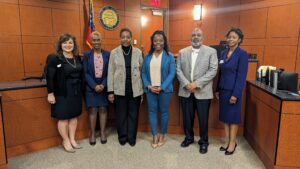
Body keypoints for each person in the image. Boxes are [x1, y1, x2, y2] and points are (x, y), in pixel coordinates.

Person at [176, 28, 218, 154]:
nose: (196, 37)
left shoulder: (211, 51)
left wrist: (196, 84)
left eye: (198, 35)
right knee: (187, 118)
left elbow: (213, 70)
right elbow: (178, 70)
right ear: (190, 37)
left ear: (203, 37)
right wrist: (187, 84)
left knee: (203, 119)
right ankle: (189, 138)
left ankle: (204, 142)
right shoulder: (182, 52)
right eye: (193, 35)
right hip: (186, 90)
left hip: (203, 92)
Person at [46, 33, 83, 153]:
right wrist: (50, 93)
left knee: (73, 117)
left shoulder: (77, 57)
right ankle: (65, 140)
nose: (68, 45)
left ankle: (72, 139)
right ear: (60, 44)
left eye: (70, 42)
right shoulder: (54, 58)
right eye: (65, 42)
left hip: (76, 91)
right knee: (63, 118)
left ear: (74, 44)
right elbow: (50, 77)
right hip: (62, 92)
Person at [107, 28, 143, 146]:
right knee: (121, 115)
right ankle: (122, 137)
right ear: (120, 38)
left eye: (128, 37)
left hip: (135, 88)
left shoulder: (138, 52)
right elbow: (110, 72)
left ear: (131, 38)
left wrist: (142, 90)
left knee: (134, 115)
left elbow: (142, 71)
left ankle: (132, 138)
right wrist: (110, 91)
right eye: (123, 37)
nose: (126, 39)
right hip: (119, 89)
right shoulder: (114, 52)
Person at [216, 28, 248, 155]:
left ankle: (233, 142)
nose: (230, 39)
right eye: (229, 37)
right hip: (223, 90)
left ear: (239, 40)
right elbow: (221, 73)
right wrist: (218, 89)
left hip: (234, 91)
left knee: (233, 118)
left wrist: (236, 94)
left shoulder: (242, 54)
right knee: (225, 117)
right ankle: (227, 140)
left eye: (234, 37)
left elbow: (241, 76)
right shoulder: (223, 53)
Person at [141, 30, 176, 148]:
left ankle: (162, 135)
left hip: (164, 90)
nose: (158, 42)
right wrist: (148, 86)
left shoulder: (169, 56)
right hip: (150, 90)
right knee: (152, 112)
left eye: (161, 40)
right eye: (155, 40)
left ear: (164, 42)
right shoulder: (147, 56)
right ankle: (154, 135)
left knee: (164, 113)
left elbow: (172, 73)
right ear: (152, 42)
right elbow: (143, 73)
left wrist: (162, 87)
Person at [83, 31, 110, 146]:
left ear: (101, 40)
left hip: (104, 86)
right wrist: (94, 86)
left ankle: (103, 132)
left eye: (98, 40)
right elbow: (85, 73)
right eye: (94, 40)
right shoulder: (86, 55)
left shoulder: (107, 54)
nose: (96, 42)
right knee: (93, 110)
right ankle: (93, 133)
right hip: (91, 87)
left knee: (103, 109)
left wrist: (103, 85)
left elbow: (110, 72)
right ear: (91, 41)